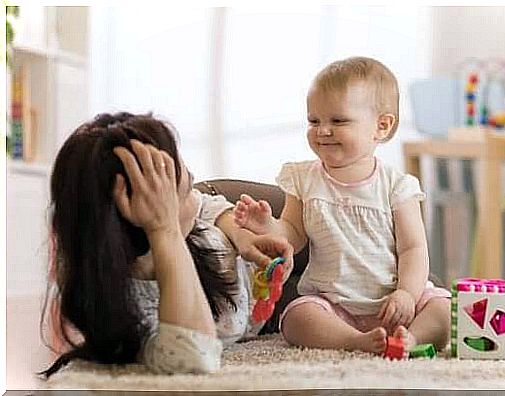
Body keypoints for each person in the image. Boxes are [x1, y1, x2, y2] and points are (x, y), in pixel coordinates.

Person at [40, 112, 294, 378]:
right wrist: (164, 230)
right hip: (262, 305)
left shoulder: (191, 215)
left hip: (238, 213)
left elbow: (204, 202)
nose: (191, 197)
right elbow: (193, 356)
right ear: (147, 218)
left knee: (323, 208)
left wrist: (241, 234)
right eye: (184, 193)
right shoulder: (125, 309)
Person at [233, 56, 451, 355]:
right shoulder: (304, 179)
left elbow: (413, 249)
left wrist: (406, 295)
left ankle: (409, 339)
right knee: (297, 318)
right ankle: (353, 341)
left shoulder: (397, 186)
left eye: (338, 121)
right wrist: (267, 226)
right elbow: (293, 234)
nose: (323, 131)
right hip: (335, 306)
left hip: (395, 305)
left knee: (442, 308)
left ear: (381, 126)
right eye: (314, 121)